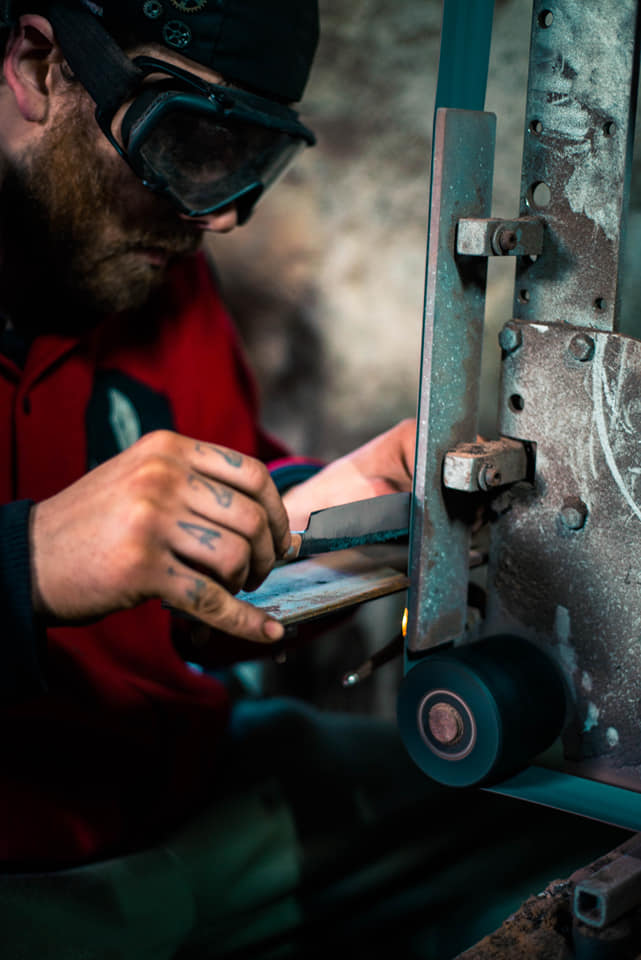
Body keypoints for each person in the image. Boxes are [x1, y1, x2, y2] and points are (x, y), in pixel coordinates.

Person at [0, 2, 631, 958]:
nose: (214, 215)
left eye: (250, 157)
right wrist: (28, 560)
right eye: (196, 141)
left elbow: (215, 557)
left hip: (202, 792)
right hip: (36, 881)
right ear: (38, 67)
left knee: (574, 835)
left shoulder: (152, 275)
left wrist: (342, 507)